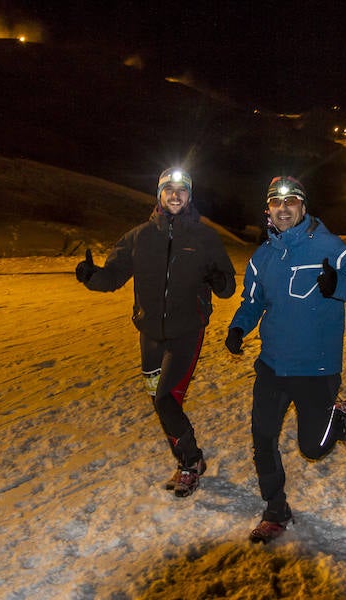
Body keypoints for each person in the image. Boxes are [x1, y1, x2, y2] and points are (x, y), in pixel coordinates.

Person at [225, 176, 346, 544]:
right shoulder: (262, 257)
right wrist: (238, 327)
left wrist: (338, 283)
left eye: (291, 200)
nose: (283, 208)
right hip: (273, 364)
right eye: (276, 202)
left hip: (316, 367)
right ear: (268, 210)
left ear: (303, 207)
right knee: (263, 438)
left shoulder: (329, 246)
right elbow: (252, 301)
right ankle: (275, 510)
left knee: (313, 447)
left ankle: (340, 420)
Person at [75, 167, 236, 497]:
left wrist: (219, 281)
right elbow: (113, 277)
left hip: (186, 331)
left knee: (166, 399)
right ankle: (188, 458)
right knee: (159, 401)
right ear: (159, 195)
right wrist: (91, 276)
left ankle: (190, 462)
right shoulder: (139, 236)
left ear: (189, 196)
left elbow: (228, 287)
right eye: (169, 190)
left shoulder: (205, 237)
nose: (175, 195)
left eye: (182, 190)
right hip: (149, 334)